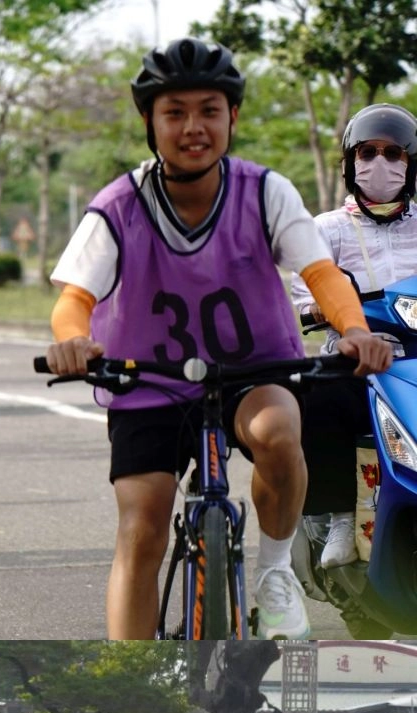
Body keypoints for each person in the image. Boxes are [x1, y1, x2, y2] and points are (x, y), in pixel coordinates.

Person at [43, 38, 394, 640]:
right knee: (142, 526)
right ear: (150, 122)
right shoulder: (119, 205)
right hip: (146, 380)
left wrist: (356, 329)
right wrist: (74, 340)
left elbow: (321, 276)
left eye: (209, 110)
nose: (192, 127)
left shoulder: (266, 193)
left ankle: (276, 572)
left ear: (232, 117)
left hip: (253, 370)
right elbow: (74, 300)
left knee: (279, 433)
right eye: (173, 112)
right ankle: (134, 671)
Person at [289, 104, 417, 569]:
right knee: (320, 397)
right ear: (350, 161)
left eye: (393, 153)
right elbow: (306, 289)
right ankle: (341, 516)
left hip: (414, 356)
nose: (380, 163)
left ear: (411, 163)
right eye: (368, 152)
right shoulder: (327, 228)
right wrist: (333, 312)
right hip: (353, 355)